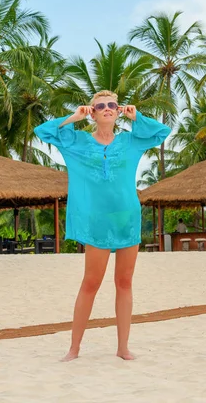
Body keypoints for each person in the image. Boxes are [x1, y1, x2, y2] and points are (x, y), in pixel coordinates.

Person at [34, 91, 171, 362]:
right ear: (93, 112)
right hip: (96, 222)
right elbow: (44, 131)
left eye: (112, 105)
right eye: (101, 106)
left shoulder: (131, 141)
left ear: (118, 111)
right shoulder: (78, 142)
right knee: (91, 283)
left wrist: (137, 117)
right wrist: (74, 116)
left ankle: (123, 348)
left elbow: (161, 132)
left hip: (127, 218)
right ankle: (74, 349)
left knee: (124, 282)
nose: (107, 108)